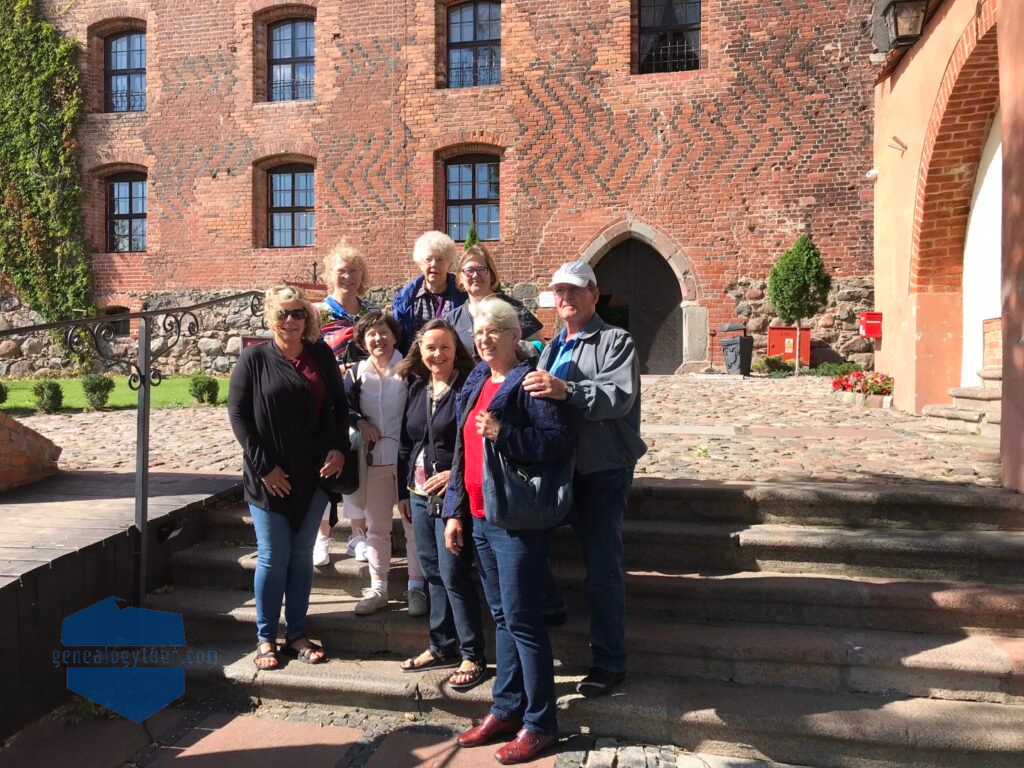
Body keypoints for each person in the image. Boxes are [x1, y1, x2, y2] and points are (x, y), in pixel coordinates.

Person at [445, 296, 572, 764]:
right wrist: (455, 511)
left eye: (494, 331)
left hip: (517, 521)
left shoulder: (530, 383)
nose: (484, 339)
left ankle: (541, 725)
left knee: (523, 621)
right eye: (478, 333)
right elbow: (461, 451)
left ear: (515, 336)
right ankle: (505, 707)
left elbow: (558, 444)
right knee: (500, 618)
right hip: (479, 517)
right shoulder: (476, 378)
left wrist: (505, 433)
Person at [523, 261, 647, 698]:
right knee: (526, 540)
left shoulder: (616, 340)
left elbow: (616, 396)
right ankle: (553, 607)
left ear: (595, 294)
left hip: (602, 469)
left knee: (602, 569)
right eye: (560, 292)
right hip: (559, 467)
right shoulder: (551, 344)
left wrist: (567, 390)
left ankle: (610, 662)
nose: (567, 298)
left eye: (575, 291)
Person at [227, 286, 349, 669]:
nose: (291, 321)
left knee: (299, 558)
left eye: (298, 313)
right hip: (269, 476)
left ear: (307, 318)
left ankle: (296, 633)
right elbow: (239, 415)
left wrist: (339, 448)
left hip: (316, 472)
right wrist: (264, 467)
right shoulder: (254, 358)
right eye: (283, 313)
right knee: (273, 556)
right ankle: (265, 637)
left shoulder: (321, 355)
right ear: (270, 316)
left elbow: (339, 407)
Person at [396, 319, 487, 690]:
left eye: (444, 347)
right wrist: (403, 491)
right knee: (432, 571)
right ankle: (441, 643)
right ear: (420, 351)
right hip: (418, 494)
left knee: (454, 572)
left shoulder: (467, 386)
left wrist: (454, 475)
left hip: (453, 495)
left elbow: (475, 442)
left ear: (456, 351)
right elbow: (406, 440)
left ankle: (472, 654)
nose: (437, 354)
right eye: (430, 348)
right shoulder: (417, 388)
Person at [344, 310, 426, 617]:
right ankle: (378, 587)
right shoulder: (356, 373)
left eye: (383, 332)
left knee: (413, 526)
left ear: (394, 336)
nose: (378, 339)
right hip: (373, 459)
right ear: (363, 342)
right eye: (371, 334)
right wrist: (359, 421)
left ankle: (417, 588)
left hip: (408, 460)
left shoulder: (410, 370)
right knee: (376, 528)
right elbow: (344, 407)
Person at [314, 241, 375, 567]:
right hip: (324, 400)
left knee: (358, 462)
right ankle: (321, 536)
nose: (348, 276)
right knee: (323, 463)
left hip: (362, 400)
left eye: (354, 271)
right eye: (342, 271)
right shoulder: (316, 313)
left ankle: (358, 535)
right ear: (330, 274)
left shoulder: (370, 314)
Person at [445, 245, 542, 356]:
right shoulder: (452, 319)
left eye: (481, 269)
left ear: (491, 275)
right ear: (460, 278)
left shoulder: (513, 308)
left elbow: (539, 348)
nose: (475, 275)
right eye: (469, 270)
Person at [392, 230, 467, 354]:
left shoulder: (462, 294)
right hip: (416, 367)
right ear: (420, 264)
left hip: (454, 365)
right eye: (428, 259)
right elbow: (398, 339)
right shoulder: (406, 298)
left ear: (449, 265)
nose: (434, 264)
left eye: (440, 259)